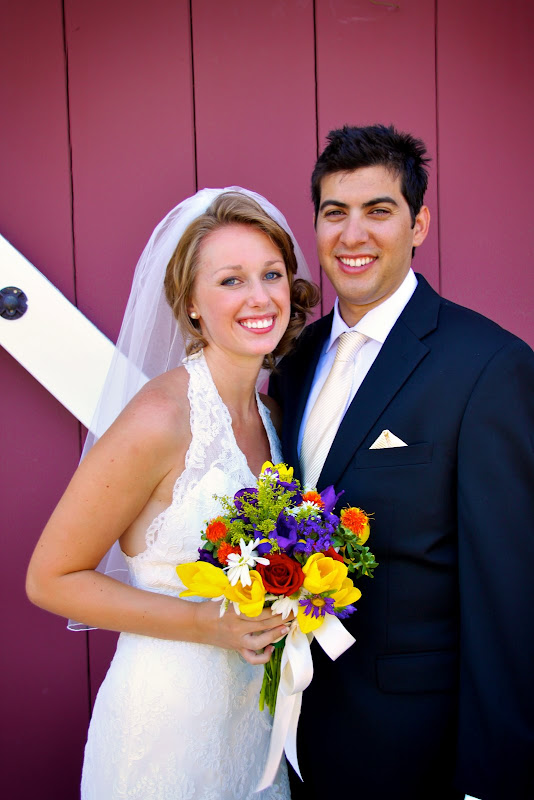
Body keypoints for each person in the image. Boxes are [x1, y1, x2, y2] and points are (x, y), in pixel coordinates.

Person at [26, 187, 319, 799]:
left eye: (271, 274)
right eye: (231, 280)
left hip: (250, 722)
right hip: (165, 724)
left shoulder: (272, 417)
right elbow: (50, 578)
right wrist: (204, 621)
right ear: (191, 304)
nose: (259, 297)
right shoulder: (160, 418)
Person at [269, 125, 534, 800]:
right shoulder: (292, 362)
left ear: (418, 225)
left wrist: (493, 779)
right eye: (335, 212)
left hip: (416, 749)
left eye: (378, 211)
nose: (352, 234)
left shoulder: (487, 366)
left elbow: (509, 592)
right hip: (291, 737)